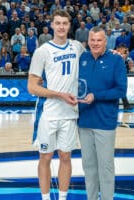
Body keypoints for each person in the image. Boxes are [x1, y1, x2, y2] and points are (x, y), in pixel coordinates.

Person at [27, 10, 85, 200]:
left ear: (69, 26)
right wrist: (59, 94)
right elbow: (32, 87)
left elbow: (95, 58)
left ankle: (62, 198)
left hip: (70, 113)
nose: (61, 27)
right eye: (57, 23)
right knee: (45, 157)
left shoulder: (77, 47)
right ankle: (45, 198)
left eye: (65, 23)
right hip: (48, 113)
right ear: (51, 25)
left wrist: (112, 54)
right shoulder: (42, 51)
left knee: (66, 157)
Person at [78, 26, 127, 200]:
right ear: (88, 41)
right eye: (92, 40)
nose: (95, 43)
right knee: (88, 166)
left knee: (105, 167)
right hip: (84, 121)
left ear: (105, 42)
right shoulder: (82, 58)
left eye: (99, 40)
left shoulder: (116, 60)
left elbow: (121, 90)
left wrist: (96, 96)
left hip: (105, 123)